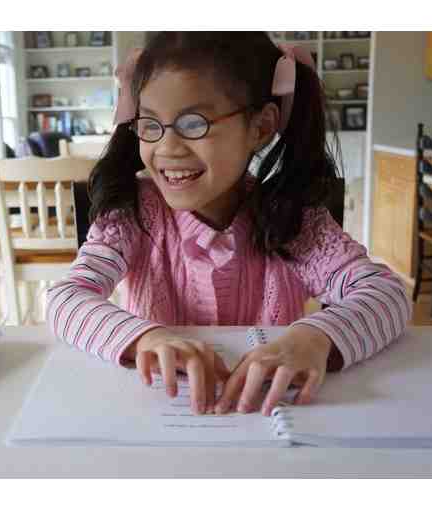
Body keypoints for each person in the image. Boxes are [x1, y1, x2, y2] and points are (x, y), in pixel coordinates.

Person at [46, 32, 411, 417]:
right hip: (160, 415)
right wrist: (145, 339)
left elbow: (387, 295)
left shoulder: (294, 219)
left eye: (194, 123)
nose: (167, 148)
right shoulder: (133, 213)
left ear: (260, 127)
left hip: (269, 415)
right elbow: (65, 299)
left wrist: (314, 338)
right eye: (150, 124)